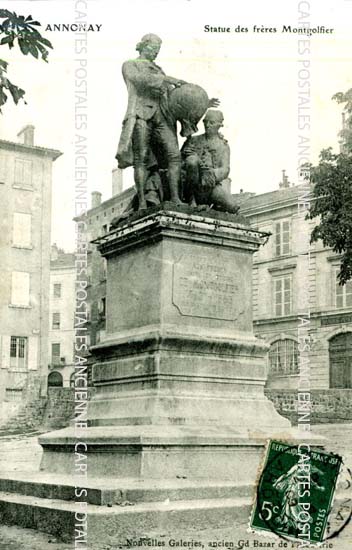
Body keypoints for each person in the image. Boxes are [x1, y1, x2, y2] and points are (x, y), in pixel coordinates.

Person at [116, 33, 186, 210]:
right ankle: (141, 203)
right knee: (141, 159)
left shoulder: (159, 70)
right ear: (143, 46)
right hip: (141, 113)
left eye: (158, 49)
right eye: (153, 48)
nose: (156, 52)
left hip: (163, 115)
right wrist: (167, 79)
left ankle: (176, 198)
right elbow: (140, 81)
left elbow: (172, 95)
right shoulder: (130, 65)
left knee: (174, 156)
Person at [181, 110, 240, 213]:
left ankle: (212, 206)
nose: (207, 125)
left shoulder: (223, 146)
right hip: (192, 184)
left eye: (211, 123)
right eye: (205, 122)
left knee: (232, 206)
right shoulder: (193, 140)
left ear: (219, 125)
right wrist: (188, 157)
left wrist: (211, 173)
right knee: (192, 161)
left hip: (211, 185)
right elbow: (179, 162)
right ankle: (192, 200)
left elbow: (225, 169)